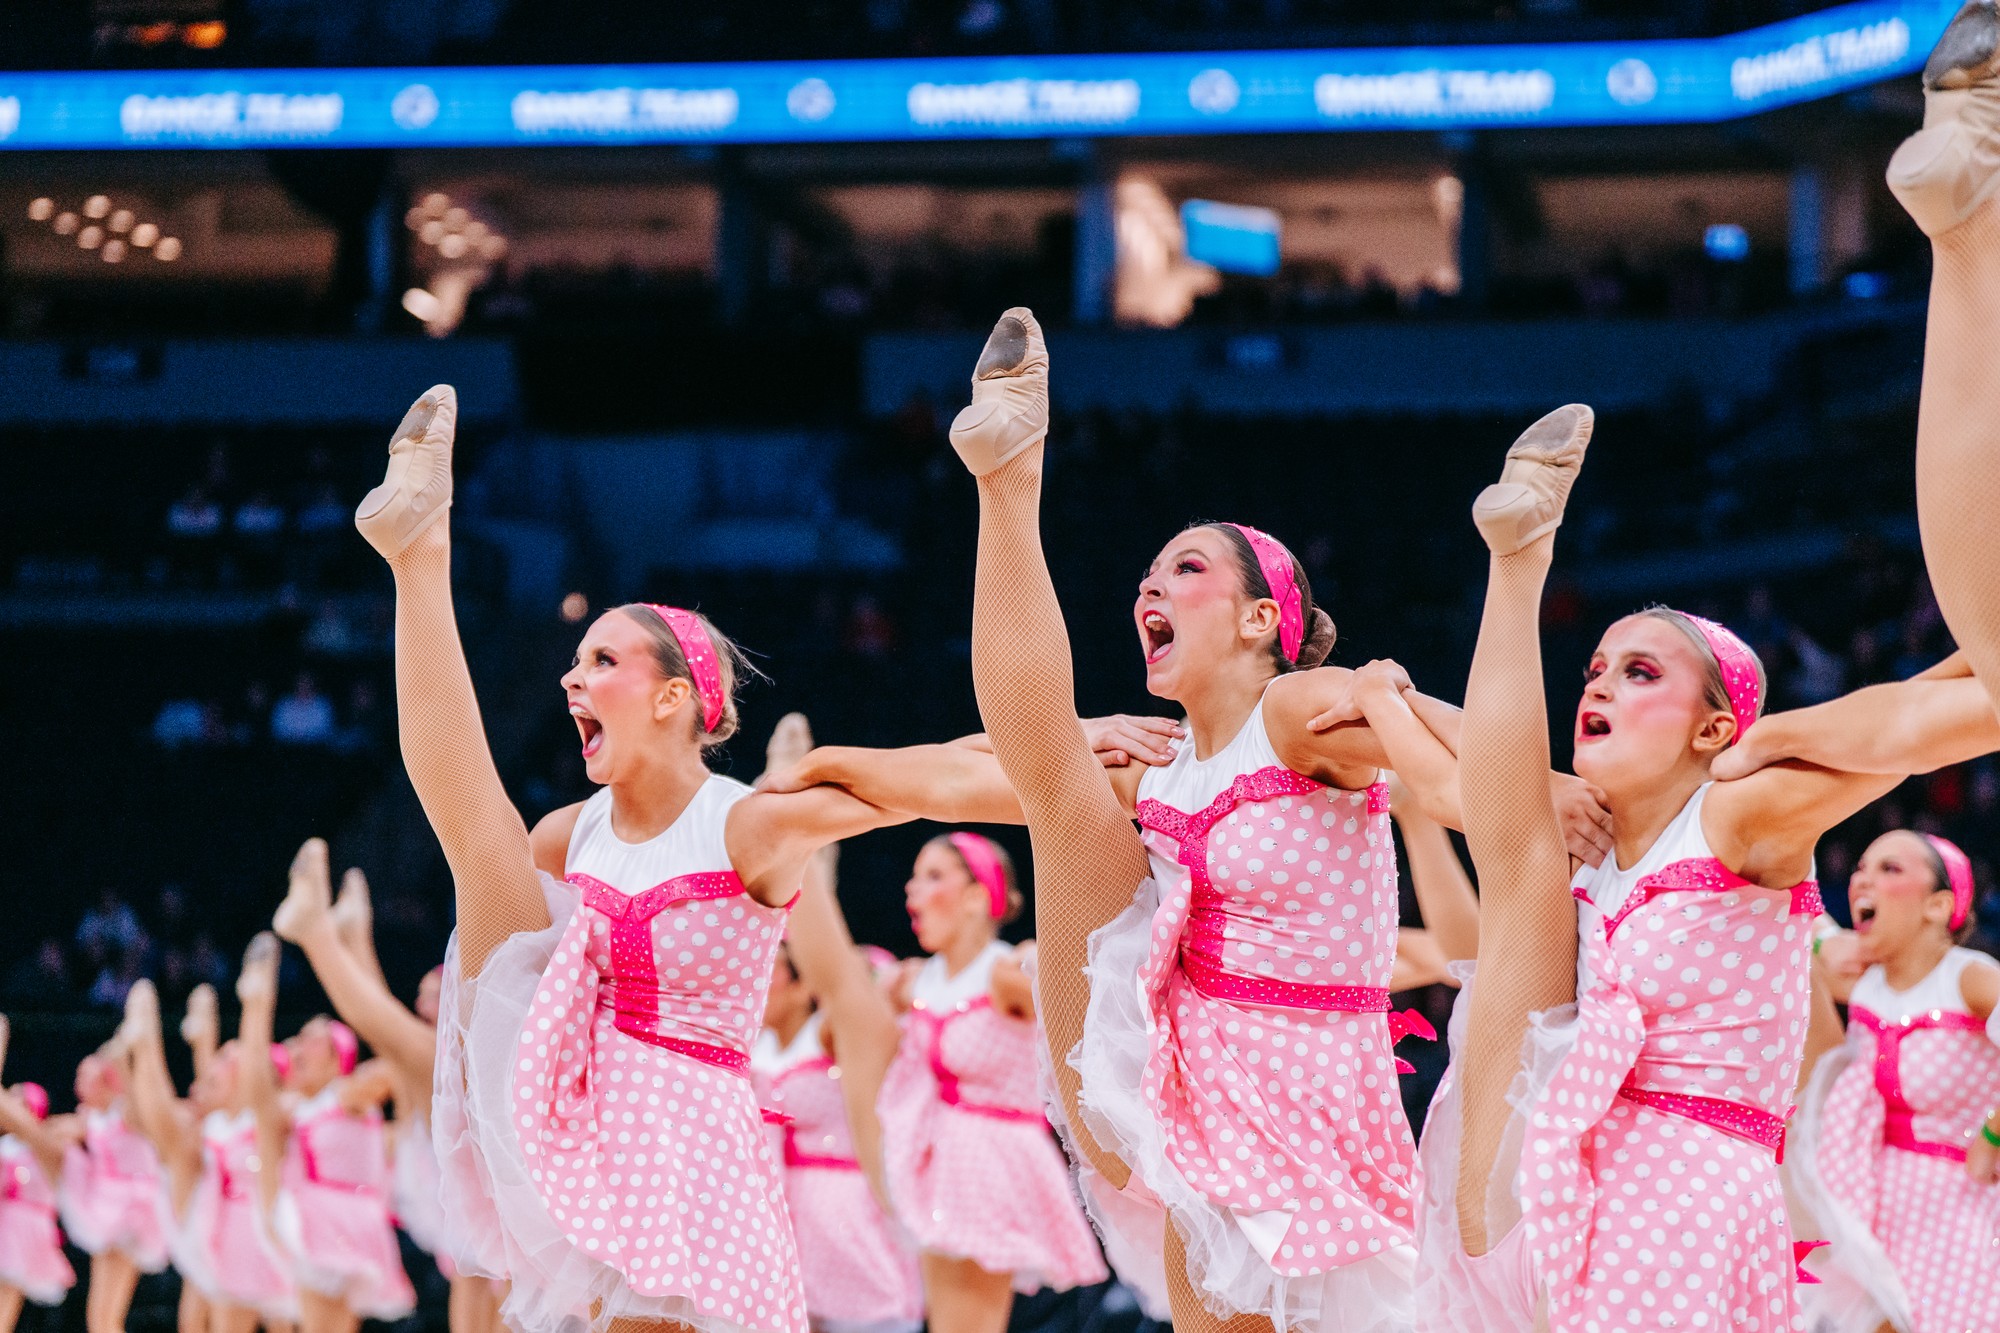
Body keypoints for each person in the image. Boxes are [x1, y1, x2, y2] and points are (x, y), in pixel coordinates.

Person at [766, 314, 1611, 1333]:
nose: (1151, 584)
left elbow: (1429, 736)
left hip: (1305, 1101)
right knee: (1054, 776)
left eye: (1188, 570)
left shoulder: (1292, 708)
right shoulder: (1156, 761)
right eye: (1149, 575)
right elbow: (957, 774)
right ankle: (1007, 474)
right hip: (1174, 1081)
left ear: (1260, 620)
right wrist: (807, 774)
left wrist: (1544, 785)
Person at [1328, 388, 1999, 1330]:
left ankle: (1520, 562)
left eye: (1641, 673)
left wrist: (1784, 734)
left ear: (1716, 728)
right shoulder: (1586, 835)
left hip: (1678, 1187)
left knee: (1515, 839)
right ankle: (1516, 561)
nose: (1600, 684)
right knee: (1516, 840)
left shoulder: (1738, 813)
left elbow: (1917, 723)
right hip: (1559, 1173)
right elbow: (1474, 770)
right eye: (1597, 669)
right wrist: (1386, 695)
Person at [353, 385, 959, 1333]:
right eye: (575, 660)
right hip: (585, 1110)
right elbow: (467, 818)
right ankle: (417, 556)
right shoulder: (567, 835)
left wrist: (1068, 753)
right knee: (476, 833)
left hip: (688, 1140)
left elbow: (927, 784)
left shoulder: (744, 822)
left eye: (602, 660)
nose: (572, 676)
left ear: (676, 697)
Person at [874, 832, 1106, 1333]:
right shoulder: (918, 981)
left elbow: (1080, 1014)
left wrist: (1044, 963)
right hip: (937, 1160)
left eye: (934, 875)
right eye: (914, 876)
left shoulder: (1004, 974)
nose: (912, 888)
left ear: (978, 896)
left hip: (993, 1165)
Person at [271, 854, 501, 1333]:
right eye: (422, 994)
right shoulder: (432, 1060)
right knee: (392, 1038)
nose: (421, 1003)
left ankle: (330, 936)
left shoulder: (451, 1052)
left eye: (432, 994)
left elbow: (383, 1035)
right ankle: (336, 935)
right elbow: (386, 1039)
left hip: (463, 1189)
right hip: (446, 1185)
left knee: (390, 1035)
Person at [1785, 831, 2000, 1333]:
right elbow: (1790, 903)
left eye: (1890, 869)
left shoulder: (1967, 978)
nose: (1863, 879)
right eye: (1861, 867)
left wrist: (1992, 1134)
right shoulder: (1864, 982)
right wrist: (1825, 941)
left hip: (1959, 1211)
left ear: (1937, 905)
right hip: (1867, 1203)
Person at [236, 928, 415, 1333]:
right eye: (298, 1040)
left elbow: (394, 1065)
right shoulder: (296, 1107)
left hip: (349, 1220)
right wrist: (257, 1006)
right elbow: (257, 1093)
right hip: (320, 1220)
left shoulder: (347, 1093)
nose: (298, 1047)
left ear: (338, 1059)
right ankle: (255, 997)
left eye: (312, 1042)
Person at [58, 1046, 171, 1333]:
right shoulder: (90, 1117)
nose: (78, 1084)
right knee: (100, 1316)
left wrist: (120, 1058)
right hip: (104, 1208)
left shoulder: (126, 1112)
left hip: (131, 1210)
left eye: (85, 1076)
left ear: (106, 1080)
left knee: (106, 1315)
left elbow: (140, 1105)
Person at [0, 1021, 77, 1331]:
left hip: (24, 1227)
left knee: (7, 1296)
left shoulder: (47, 1143)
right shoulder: (6, 1146)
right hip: (6, 1222)